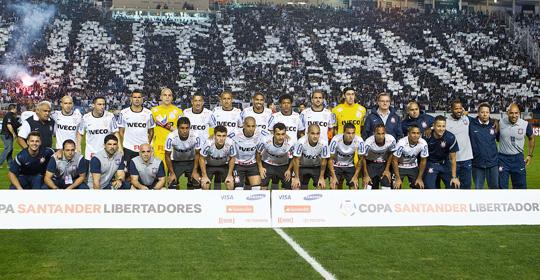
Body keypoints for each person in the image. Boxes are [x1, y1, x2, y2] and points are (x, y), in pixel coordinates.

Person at [498, 103, 535, 189]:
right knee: (501, 188)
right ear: (507, 113)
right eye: (511, 113)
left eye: (516, 113)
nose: (514, 115)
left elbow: (531, 138)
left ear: (519, 113)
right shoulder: (501, 122)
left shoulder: (525, 124)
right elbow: (496, 137)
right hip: (503, 159)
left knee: (520, 188)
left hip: (518, 159)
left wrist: (529, 155)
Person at [229, 117, 268, 190]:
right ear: (243, 125)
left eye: (253, 126)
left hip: (252, 164)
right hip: (238, 165)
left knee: (257, 188)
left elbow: (272, 136)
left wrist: (286, 136)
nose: (251, 129)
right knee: (238, 189)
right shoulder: (235, 133)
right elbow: (224, 138)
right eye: (248, 126)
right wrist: (213, 135)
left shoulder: (260, 132)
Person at [118, 90, 155, 166]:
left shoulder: (148, 113)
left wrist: (147, 143)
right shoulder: (124, 113)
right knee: (127, 173)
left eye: (139, 97)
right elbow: (120, 131)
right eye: (135, 97)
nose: (137, 99)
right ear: (131, 99)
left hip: (143, 149)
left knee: (143, 173)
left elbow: (151, 131)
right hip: (128, 148)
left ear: (142, 99)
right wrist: (126, 142)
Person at [164, 117, 202, 190]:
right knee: (172, 183)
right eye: (182, 128)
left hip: (191, 161)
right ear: (177, 128)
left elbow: (198, 154)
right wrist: (171, 173)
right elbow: (167, 155)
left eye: (187, 128)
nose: (185, 131)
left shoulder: (195, 136)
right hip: (176, 162)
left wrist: (195, 171)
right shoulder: (171, 137)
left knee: (197, 182)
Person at [425, 116, 460, 189]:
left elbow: (453, 158)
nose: (441, 129)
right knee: (429, 188)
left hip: (445, 164)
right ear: (433, 126)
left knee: (453, 185)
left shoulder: (450, 137)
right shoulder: (426, 136)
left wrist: (454, 177)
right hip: (431, 164)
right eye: (439, 126)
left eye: (443, 126)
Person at [257, 122, 295, 190]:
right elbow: (258, 153)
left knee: (288, 185)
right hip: (267, 163)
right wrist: (260, 167)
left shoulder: (290, 142)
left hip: (283, 165)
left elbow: (294, 157)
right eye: (278, 134)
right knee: (263, 184)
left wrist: (289, 170)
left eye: (283, 134)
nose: (281, 137)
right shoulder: (265, 140)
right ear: (273, 134)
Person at [291, 124, 330, 190]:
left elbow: (324, 161)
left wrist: (321, 177)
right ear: (307, 133)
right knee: (295, 186)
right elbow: (296, 160)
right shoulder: (301, 142)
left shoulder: (324, 143)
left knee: (321, 186)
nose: (315, 136)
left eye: (317, 134)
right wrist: (296, 177)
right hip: (302, 167)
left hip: (316, 167)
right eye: (312, 133)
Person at [469, 103, 498, 189]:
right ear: (478, 113)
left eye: (487, 112)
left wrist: (496, 121)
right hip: (477, 163)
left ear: (490, 113)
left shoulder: (494, 125)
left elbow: (500, 138)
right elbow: (462, 113)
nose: (485, 114)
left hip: (493, 164)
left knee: (494, 189)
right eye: (482, 112)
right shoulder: (471, 124)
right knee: (478, 189)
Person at [327, 123, 365, 189]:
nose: (351, 136)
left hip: (350, 166)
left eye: (353, 133)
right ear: (343, 132)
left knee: (355, 187)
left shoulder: (359, 141)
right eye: (348, 133)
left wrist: (355, 177)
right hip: (336, 166)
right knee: (333, 186)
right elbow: (330, 159)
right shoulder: (336, 140)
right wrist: (333, 176)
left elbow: (360, 160)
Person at [445, 99, 473, 189]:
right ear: (451, 109)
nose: (459, 110)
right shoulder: (446, 122)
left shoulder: (466, 119)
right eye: (456, 108)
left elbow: (481, 120)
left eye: (460, 108)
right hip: (453, 161)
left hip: (467, 159)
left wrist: (495, 121)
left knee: (467, 186)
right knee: (453, 187)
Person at [151, 88, 183, 164]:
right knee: (160, 172)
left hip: (173, 146)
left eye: (169, 95)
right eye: (165, 95)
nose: (167, 97)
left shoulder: (178, 111)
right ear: (161, 97)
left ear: (172, 98)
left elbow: (181, 130)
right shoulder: (153, 111)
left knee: (172, 174)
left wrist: (167, 126)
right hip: (158, 146)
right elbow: (150, 130)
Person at [199, 126, 236, 190]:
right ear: (214, 136)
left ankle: (229, 200)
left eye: (224, 136)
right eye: (219, 135)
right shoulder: (208, 143)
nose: (221, 138)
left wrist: (229, 175)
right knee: (205, 184)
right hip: (210, 165)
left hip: (223, 165)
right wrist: (204, 175)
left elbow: (232, 157)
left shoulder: (230, 143)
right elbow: (201, 158)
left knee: (230, 184)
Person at [392, 125, 429, 189]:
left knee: (419, 186)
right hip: (400, 166)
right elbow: (394, 160)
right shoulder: (401, 143)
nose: (416, 135)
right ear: (408, 134)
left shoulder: (423, 143)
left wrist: (419, 178)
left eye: (418, 133)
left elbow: (423, 161)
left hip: (413, 166)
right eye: (413, 133)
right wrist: (397, 178)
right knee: (396, 187)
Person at [362, 124, 395, 190]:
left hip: (384, 164)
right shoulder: (368, 143)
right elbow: (363, 157)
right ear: (374, 133)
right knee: (368, 187)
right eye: (378, 134)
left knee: (386, 186)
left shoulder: (391, 140)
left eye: (383, 133)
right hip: (370, 164)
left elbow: (391, 153)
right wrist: (366, 175)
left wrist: (387, 169)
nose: (381, 136)